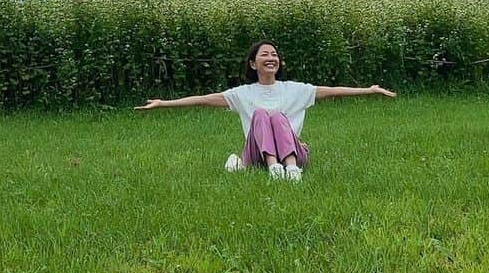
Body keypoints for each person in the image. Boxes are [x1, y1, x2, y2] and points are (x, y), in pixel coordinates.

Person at [135, 40, 397, 181]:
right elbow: (203, 99)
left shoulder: (295, 89)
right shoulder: (242, 94)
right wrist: (164, 103)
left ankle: (291, 170)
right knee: (262, 114)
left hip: (294, 153)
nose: (271, 57)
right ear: (253, 63)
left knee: (277, 116)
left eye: (274, 54)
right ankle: (273, 169)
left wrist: (369, 89)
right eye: (264, 54)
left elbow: (333, 91)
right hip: (257, 156)